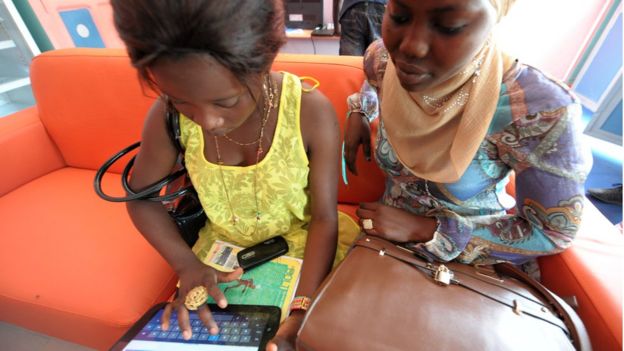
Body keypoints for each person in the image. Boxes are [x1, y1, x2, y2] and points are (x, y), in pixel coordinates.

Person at [110, 1, 360, 349]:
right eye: (181, 101)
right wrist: (186, 265)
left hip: (308, 254)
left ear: (266, 59)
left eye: (225, 102)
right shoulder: (166, 117)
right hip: (219, 257)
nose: (207, 122)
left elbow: (323, 217)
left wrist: (302, 311)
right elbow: (141, 201)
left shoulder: (308, 111)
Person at [343, 0, 592, 267]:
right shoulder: (382, 60)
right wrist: (360, 111)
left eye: (449, 27)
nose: (409, 47)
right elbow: (372, 83)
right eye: (400, 17)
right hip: (383, 241)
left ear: (493, 21)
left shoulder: (538, 110)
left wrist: (427, 229)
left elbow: (552, 233)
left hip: (469, 266)